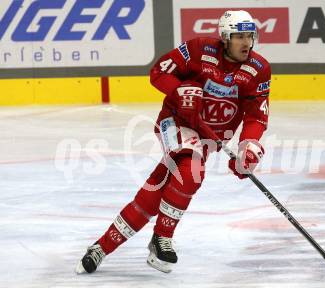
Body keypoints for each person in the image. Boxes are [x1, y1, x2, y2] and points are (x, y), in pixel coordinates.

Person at [76, 10, 271, 274]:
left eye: (250, 35)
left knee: (157, 190)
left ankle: (102, 246)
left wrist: (248, 147)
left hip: (210, 138)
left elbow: (256, 116)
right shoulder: (199, 49)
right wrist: (179, 90)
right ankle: (161, 238)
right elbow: (158, 72)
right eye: (239, 36)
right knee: (191, 171)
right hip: (175, 122)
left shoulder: (258, 69)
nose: (246, 42)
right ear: (225, 38)